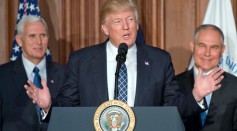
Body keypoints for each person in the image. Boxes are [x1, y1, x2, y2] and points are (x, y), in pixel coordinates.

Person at [25, 0, 224, 120]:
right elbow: (68, 107)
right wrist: (48, 106)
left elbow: (172, 109)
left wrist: (196, 95)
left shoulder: (159, 60)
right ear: (105, 28)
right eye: (118, 22)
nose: (126, 27)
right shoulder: (82, 60)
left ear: (137, 24)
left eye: (130, 20)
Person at [0, 15, 64, 131]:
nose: (39, 41)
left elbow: (71, 117)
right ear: (19, 40)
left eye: (43, 36)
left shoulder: (64, 74)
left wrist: (48, 107)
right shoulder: (2, 76)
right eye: (32, 36)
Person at [176, 24, 237, 131]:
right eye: (202, 45)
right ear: (192, 46)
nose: (207, 53)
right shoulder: (174, 83)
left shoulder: (234, 85)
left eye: (214, 47)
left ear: (222, 50)